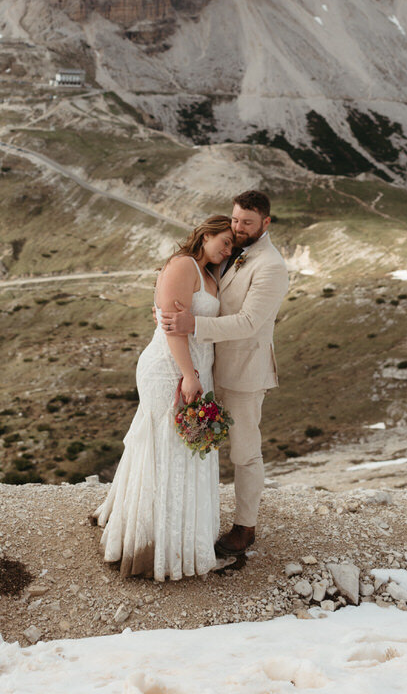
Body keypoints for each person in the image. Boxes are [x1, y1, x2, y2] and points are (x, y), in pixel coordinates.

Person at [93, 215, 234, 581]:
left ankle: (182, 542)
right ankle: (148, 545)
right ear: (206, 235)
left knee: (184, 454)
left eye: (233, 245)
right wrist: (188, 374)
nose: (228, 249)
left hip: (196, 372)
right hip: (170, 369)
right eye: (225, 240)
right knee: (164, 450)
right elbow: (171, 326)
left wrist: (198, 375)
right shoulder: (182, 265)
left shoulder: (210, 275)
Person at [160, 190, 288, 556]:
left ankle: (245, 527)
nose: (238, 228)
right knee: (195, 443)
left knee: (245, 453)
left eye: (247, 222)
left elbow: (248, 322)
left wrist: (191, 323)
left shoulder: (271, 266)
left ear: (266, 222)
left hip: (246, 371)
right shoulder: (231, 251)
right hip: (209, 365)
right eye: (234, 220)